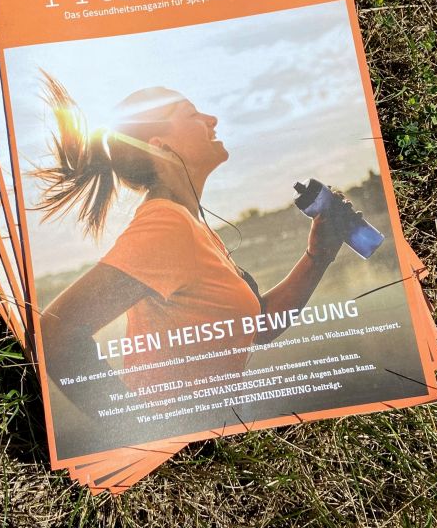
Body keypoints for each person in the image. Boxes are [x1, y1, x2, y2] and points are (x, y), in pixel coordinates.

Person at [33, 73, 356, 419]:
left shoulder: (191, 226)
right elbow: (57, 331)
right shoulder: (166, 226)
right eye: (192, 114)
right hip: (182, 440)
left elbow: (258, 327)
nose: (212, 119)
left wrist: (318, 256)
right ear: (160, 146)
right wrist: (138, 427)